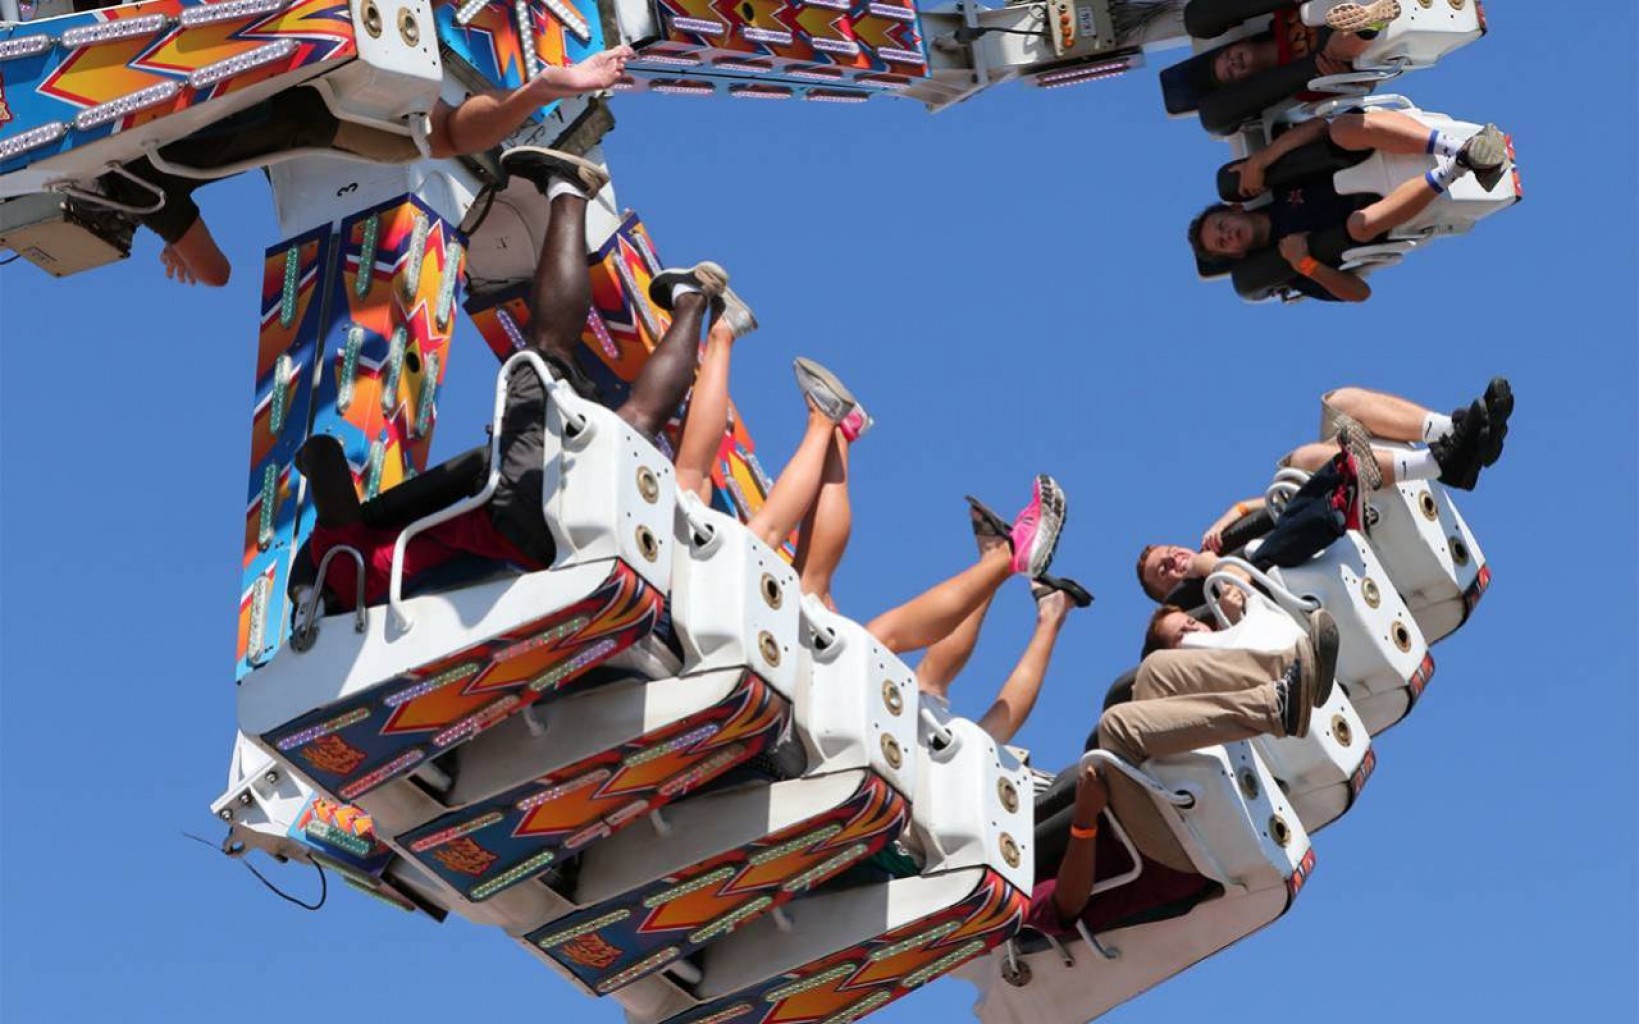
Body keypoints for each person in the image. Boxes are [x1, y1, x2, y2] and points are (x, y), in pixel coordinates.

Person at [299, 141, 724, 610]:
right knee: (546, 354)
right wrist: (308, 493)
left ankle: (692, 302)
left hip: (553, 546)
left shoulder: (381, 593)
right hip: (515, 513)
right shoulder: (346, 564)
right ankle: (569, 190)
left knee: (637, 424)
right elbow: (323, 455)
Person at [104, 46, 634, 287]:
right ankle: (541, 87)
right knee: (441, 135)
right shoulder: (117, 102)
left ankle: (539, 88)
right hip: (302, 66)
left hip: (315, 109)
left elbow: (215, 273)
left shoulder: (133, 184)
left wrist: (170, 232)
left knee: (442, 136)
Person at [1028, 610, 1339, 933]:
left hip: (1149, 814)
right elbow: (1064, 907)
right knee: (1116, 727)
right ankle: (1276, 708)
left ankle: (1295, 668)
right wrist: (1085, 821)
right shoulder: (993, 884)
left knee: (1155, 671)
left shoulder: (1029, 809)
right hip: (1162, 862)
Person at [1137, 379, 1513, 606]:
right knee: (1302, 459)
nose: (1173, 560)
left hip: (1313, 500)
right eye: (1164, 571)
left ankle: (1450, 434)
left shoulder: (1218, 541)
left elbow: (1251, 505)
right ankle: (1439, 464)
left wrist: (1227, 517)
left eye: (1168, 553)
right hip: (1321, 533)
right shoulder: (1210, 583)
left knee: (1340, 402)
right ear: (1168, 591)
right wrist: (1210, 560)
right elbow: (1223, 571)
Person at [1187, 109, 1511, 302]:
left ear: (1234, 209)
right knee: (1359, 225)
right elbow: (1359, 294)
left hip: (1367, 152)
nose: (1227, 235)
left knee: (1340, 128)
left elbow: (1315, 128)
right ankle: (1461, 165)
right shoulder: (1291, 269)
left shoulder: (1272, 185)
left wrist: (1261, 160)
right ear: (1236, 255)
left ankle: (1461, 148)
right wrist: (1307, 265)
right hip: (1377, 209)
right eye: (1222, 243)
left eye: (1220, 227)